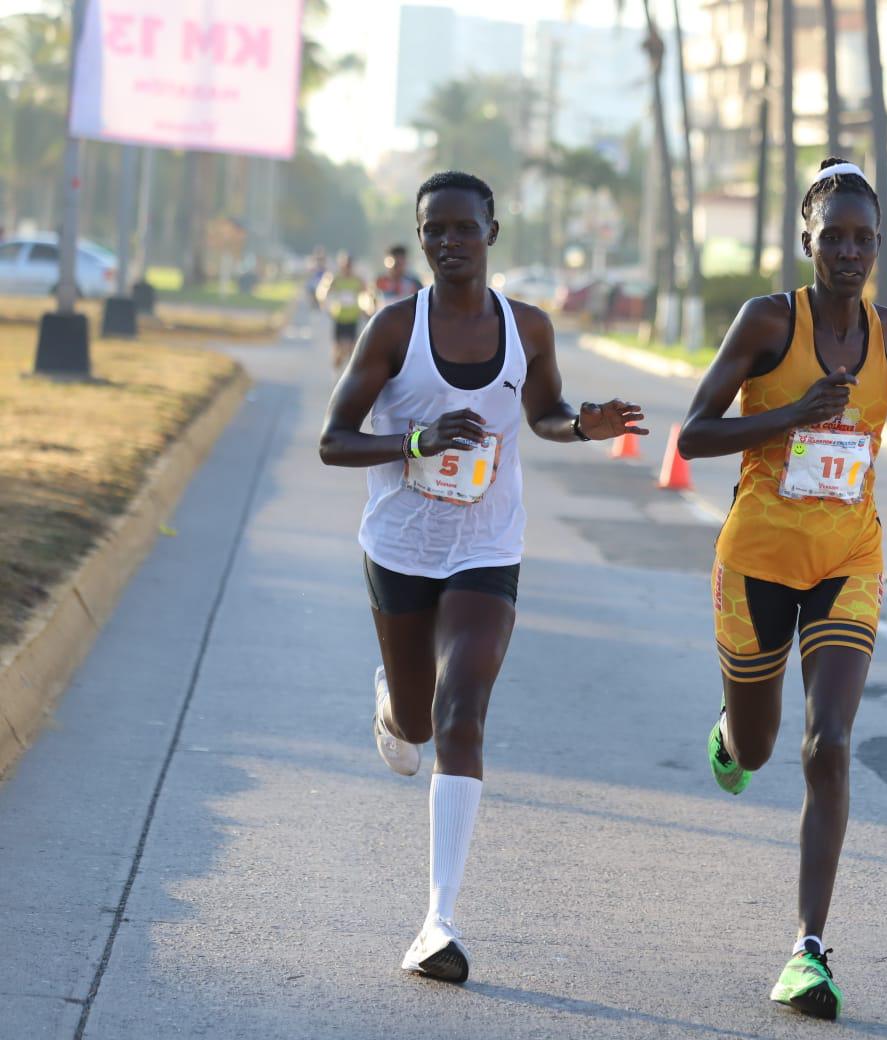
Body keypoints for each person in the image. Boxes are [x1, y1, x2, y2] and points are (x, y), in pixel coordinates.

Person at [318, 170, 646, 985]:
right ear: (420, 237)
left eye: (464, 227)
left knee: (461, 713)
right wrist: (416, 443)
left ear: (492, 233)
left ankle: (437, 922)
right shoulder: (394, 329)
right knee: (417, 725)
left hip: (486, 547)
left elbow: (544, 413)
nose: (449, 241)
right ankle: (391, 704)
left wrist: (583, 426)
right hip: (401, 546)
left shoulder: (528, 327)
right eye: (434, 228)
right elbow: (333, 439)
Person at [677, 157, 887, 1021]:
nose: (848, 252)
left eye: (862, 239)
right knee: (758, 748)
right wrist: (789, 414)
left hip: (848, 559)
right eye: (833, 236)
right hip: (757, 560)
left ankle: (807, 951)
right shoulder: (769, 321)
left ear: (878, 245)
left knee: (828, 743)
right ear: (808, 238)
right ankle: (731, 733)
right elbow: (693, 434)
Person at [317, 251, 370, 369]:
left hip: (353, 318)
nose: (347, 268)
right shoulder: (335, 279)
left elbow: (367, 294)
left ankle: (349, 374)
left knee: (352, 350)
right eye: (345, 265)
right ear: (341, 265)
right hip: (339, 317)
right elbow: (323, 293)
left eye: (349, 265)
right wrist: (326, 306)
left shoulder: (357, 280)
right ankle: (336, 371)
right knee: (338, 350)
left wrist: (366, 309)